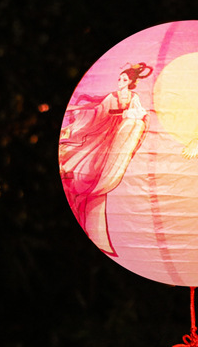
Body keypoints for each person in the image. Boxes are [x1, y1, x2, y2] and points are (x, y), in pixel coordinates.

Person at [59, 62, 152, 256]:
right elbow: (98, 113)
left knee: (103, 175)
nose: (120, 82)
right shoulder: (112, 97)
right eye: (119, 78)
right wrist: (83, 113)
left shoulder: (133, 98)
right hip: (102, 135)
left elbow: (140, 113)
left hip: (115, 137)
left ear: (131, 82)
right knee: (89, 167)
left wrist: (129, 115)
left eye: (124, 79)